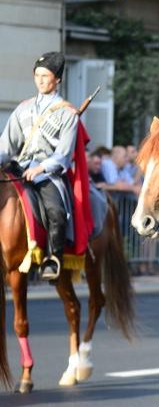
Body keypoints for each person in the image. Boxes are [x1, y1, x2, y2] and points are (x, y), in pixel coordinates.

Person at [0, 52, 79, 280]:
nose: (41, 80)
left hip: (47, 174)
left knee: (56, 211)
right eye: (37, 75)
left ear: (58, 80)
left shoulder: (67, 113)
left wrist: (41, 168)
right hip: (17, 168)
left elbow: (64, 154)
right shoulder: (23, 109)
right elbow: (6, 145)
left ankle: (53, 258)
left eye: (46, 76)